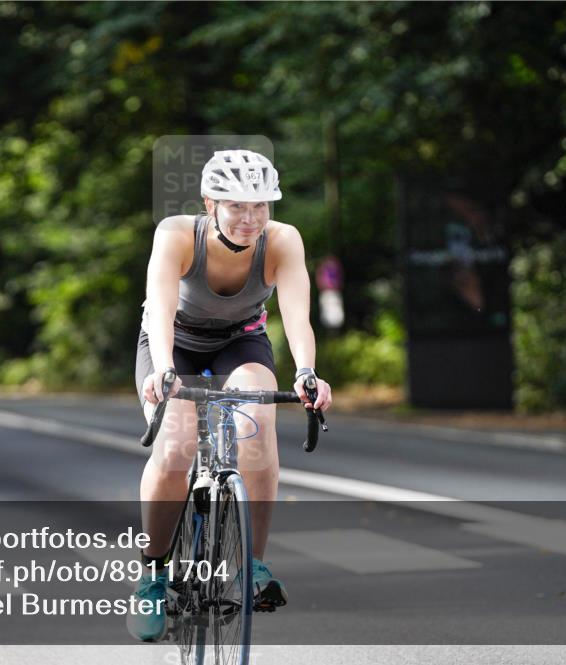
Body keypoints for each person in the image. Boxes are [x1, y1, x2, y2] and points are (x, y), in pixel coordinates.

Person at [127, 149, 333, 641]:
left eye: (260, 205)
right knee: (175, 447)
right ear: (210, 203)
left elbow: (297, 318)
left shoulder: (282, 241)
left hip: (241, 341)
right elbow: (159, 308)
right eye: (237, 205)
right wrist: (164, 371)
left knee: (258, 433)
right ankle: (153, 576)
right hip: (172, 339)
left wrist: (307, 371)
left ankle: (251, 566)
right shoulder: (177, 234)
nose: (250, 218)